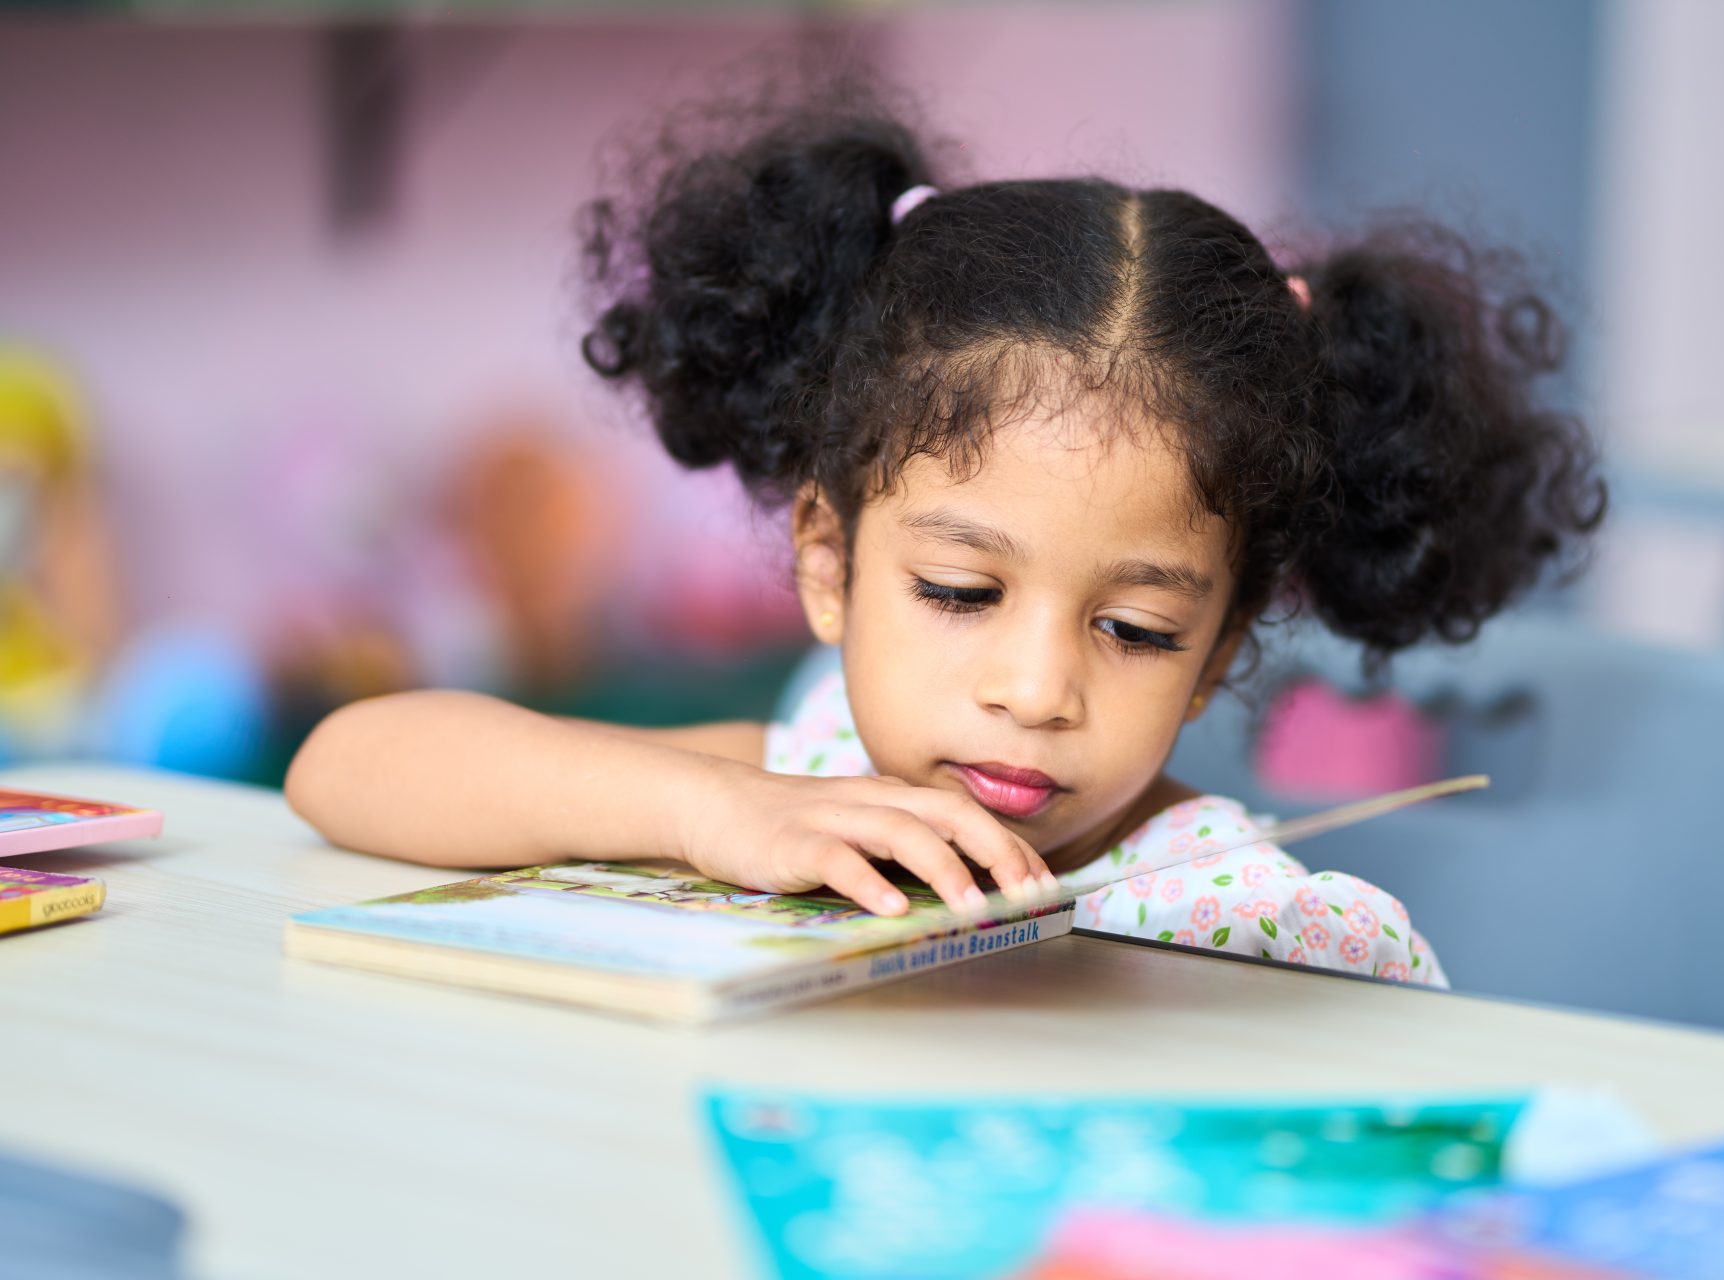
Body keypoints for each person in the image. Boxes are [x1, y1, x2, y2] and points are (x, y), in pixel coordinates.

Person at [287, 86, 1605, 988]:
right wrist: (710, 810)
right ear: (827, 561)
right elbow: (347, 764)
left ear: (1217, 653)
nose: (1034, 691)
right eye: (964, 590)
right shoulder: (798, 782)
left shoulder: (1264, 931)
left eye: (1137, 629)